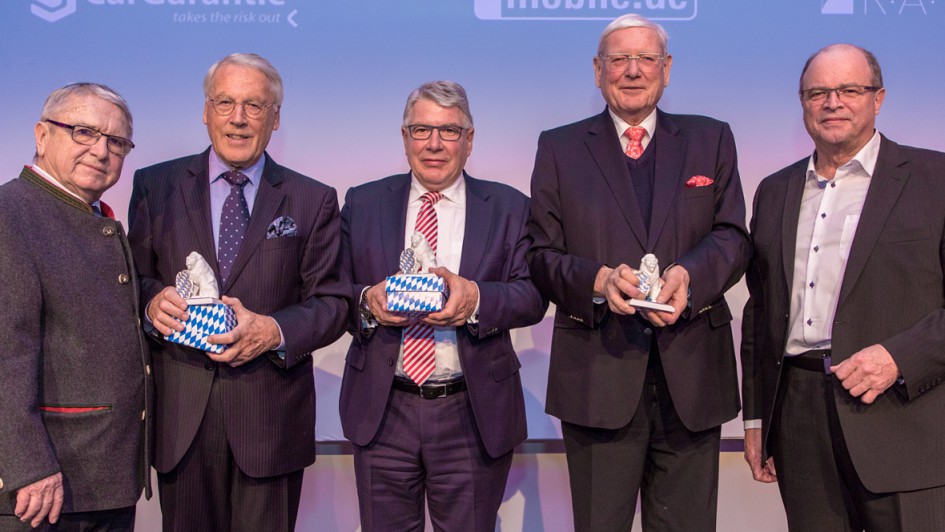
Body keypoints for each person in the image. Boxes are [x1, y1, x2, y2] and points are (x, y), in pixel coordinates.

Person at [527, 14, 750, 531]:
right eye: (619, 59)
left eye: (646, 58)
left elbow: (733, 237)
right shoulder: (559, 148)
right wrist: (598, 282)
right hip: (597, 378)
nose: (633, 71)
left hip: (693, 379)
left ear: (666, 69)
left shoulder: (711, 139)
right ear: (597, 70)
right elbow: (540, 254)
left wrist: (689, 277)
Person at [127, 53, 348, 531]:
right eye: (225, 102)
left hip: (270, 422)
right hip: (182, 418)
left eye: (254, 105)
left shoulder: (312, 198)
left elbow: (334, 303)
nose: (239, 118)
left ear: (275, 118)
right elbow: (132, 279)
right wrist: (150, 303)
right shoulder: (154, 185)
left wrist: (273, 330)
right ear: (206, 111)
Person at [742, 43, 945, 531]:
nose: (832, 103)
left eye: (849, 90)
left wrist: (900, 358)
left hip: (903, 410)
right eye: (818, 93)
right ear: (803, 103)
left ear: (878, 98)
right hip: (799, 417)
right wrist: (756, 418)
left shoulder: (934, 178)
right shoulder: (774, 190)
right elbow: (760, 311)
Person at [339, 81, 547, 531]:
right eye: (421, 130)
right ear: (405, 137)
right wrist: (367, 302)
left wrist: (476, 299)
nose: (434, 144)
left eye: (449, 131)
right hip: (383, 410)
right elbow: (333, 292)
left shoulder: (510, 207)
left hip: (471, 411)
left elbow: (533, 295)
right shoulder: (363, 202)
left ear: (469, 140)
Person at [0, 83, 151, 531]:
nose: (101, 151)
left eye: (117, 142)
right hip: (41, 492)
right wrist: (29, 466)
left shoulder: (92, 216)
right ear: (42, 135)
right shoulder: (10, 215)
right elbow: (6, 353)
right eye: (83, 132)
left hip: (100, 482)